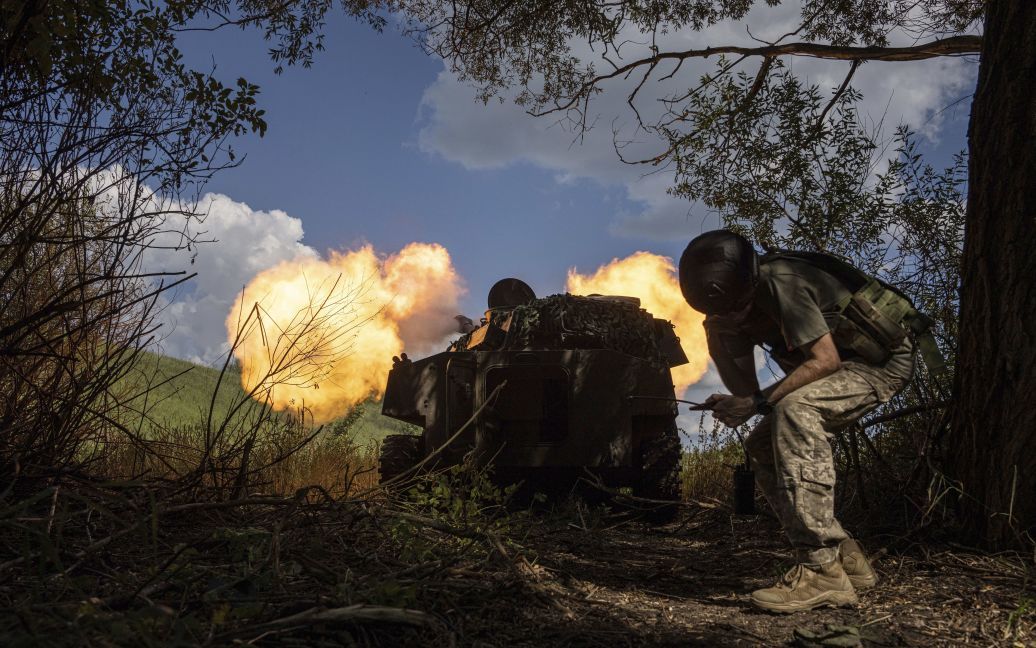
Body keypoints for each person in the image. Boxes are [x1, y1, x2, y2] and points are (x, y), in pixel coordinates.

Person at [678, 230, 933, 614]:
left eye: (738, 306)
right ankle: (846, 558)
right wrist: (722, 340)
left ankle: (821, 570)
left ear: (750, 279)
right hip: (836, 368)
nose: (733, 314)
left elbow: (825, 361)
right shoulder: (725, 313)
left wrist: (758, 401)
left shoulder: (784, 282)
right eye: (722, 310)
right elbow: (747, 391)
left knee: (796, 410)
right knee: (761, 443)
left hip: (878, 364)